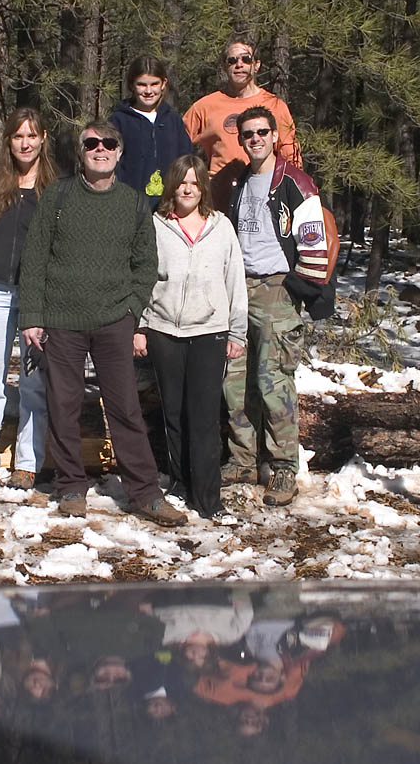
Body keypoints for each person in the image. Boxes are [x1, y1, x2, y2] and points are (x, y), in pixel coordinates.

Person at [18, 119, 185, 526]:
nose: (100, 149)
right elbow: (35, 259)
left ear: (119, 152)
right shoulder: (56, 198)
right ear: (81, 152)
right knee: (64, 404)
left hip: (114, 320)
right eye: (91, 143)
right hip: (62, 319)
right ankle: (71, 485)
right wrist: (32, 317)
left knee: (125, 407)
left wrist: (131, 311)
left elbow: (146, 265)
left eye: (108, 143)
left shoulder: (132, 203)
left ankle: (144, 492)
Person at [223, 106, 335, 506]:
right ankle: (242, 459)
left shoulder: (295, 182)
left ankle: (285, 467)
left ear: (274, 136)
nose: (255, 139)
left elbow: (315, 244)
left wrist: (297, 289)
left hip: (276, 289)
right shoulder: (241, 182)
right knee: (235, 380)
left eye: (262, 132)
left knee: (274, 383)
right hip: (241, 287)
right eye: (248, 133)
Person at [133, 155, 247, 519]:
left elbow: (235, 282)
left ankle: (208, 498)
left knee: (203, 417)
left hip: (210, 332)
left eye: (195, 183)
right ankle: (181, 484)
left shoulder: (221, 227)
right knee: (174, 415)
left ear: (203, 188)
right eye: (182, 182)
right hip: (165, 331)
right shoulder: (156, 226)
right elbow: (144, 278)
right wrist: (141, 326)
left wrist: (237, 331)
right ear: (172, 186)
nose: (187, 189)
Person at [0, 108, 57, 493]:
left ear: (43, 139)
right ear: (8, 141)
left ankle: (27, 461)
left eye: (32, 136)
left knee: (33, 382)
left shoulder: (55, 188)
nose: (25, 143)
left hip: (36, 295)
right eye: (18, 136)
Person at [183, 37, 301, 210]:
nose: (239, 65)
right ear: (224, 66)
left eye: (246, 59)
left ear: (257, 65)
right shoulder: (204, 107)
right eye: (232, 60)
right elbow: (177, 146)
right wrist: (196, 179)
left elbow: (291, 157)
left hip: (263, 198)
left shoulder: (275, 106)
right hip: (218, 199)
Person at [108, 54, 192, 211]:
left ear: (163, 84)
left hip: (170, 207)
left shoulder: (173, 120)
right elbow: (112, 166)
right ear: (132, 85)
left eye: (154, 84)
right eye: (142, 85)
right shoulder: (118, 121)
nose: (148, 91)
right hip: (130, 207)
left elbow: (186, 161)